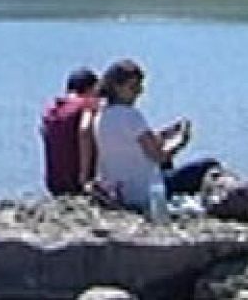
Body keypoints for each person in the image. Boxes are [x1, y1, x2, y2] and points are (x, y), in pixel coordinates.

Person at [92, 58, 219, 210]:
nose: (139, 92)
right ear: (116, 87)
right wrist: (181, 142)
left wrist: (168, 133)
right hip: (146, 192)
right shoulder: (132, 116)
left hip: (122, 192)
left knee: (169, 167)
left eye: (139, 87)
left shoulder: (101, 115)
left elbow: (134, 144)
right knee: (207, 165)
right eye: (133, 87)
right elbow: (158, 156)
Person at [40, 67, 100, 196]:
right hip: (77, 181)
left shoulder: (51, 111)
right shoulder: (86, 105)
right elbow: (84, 130)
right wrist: (84, 177)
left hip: (54, 183)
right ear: (92, 89)